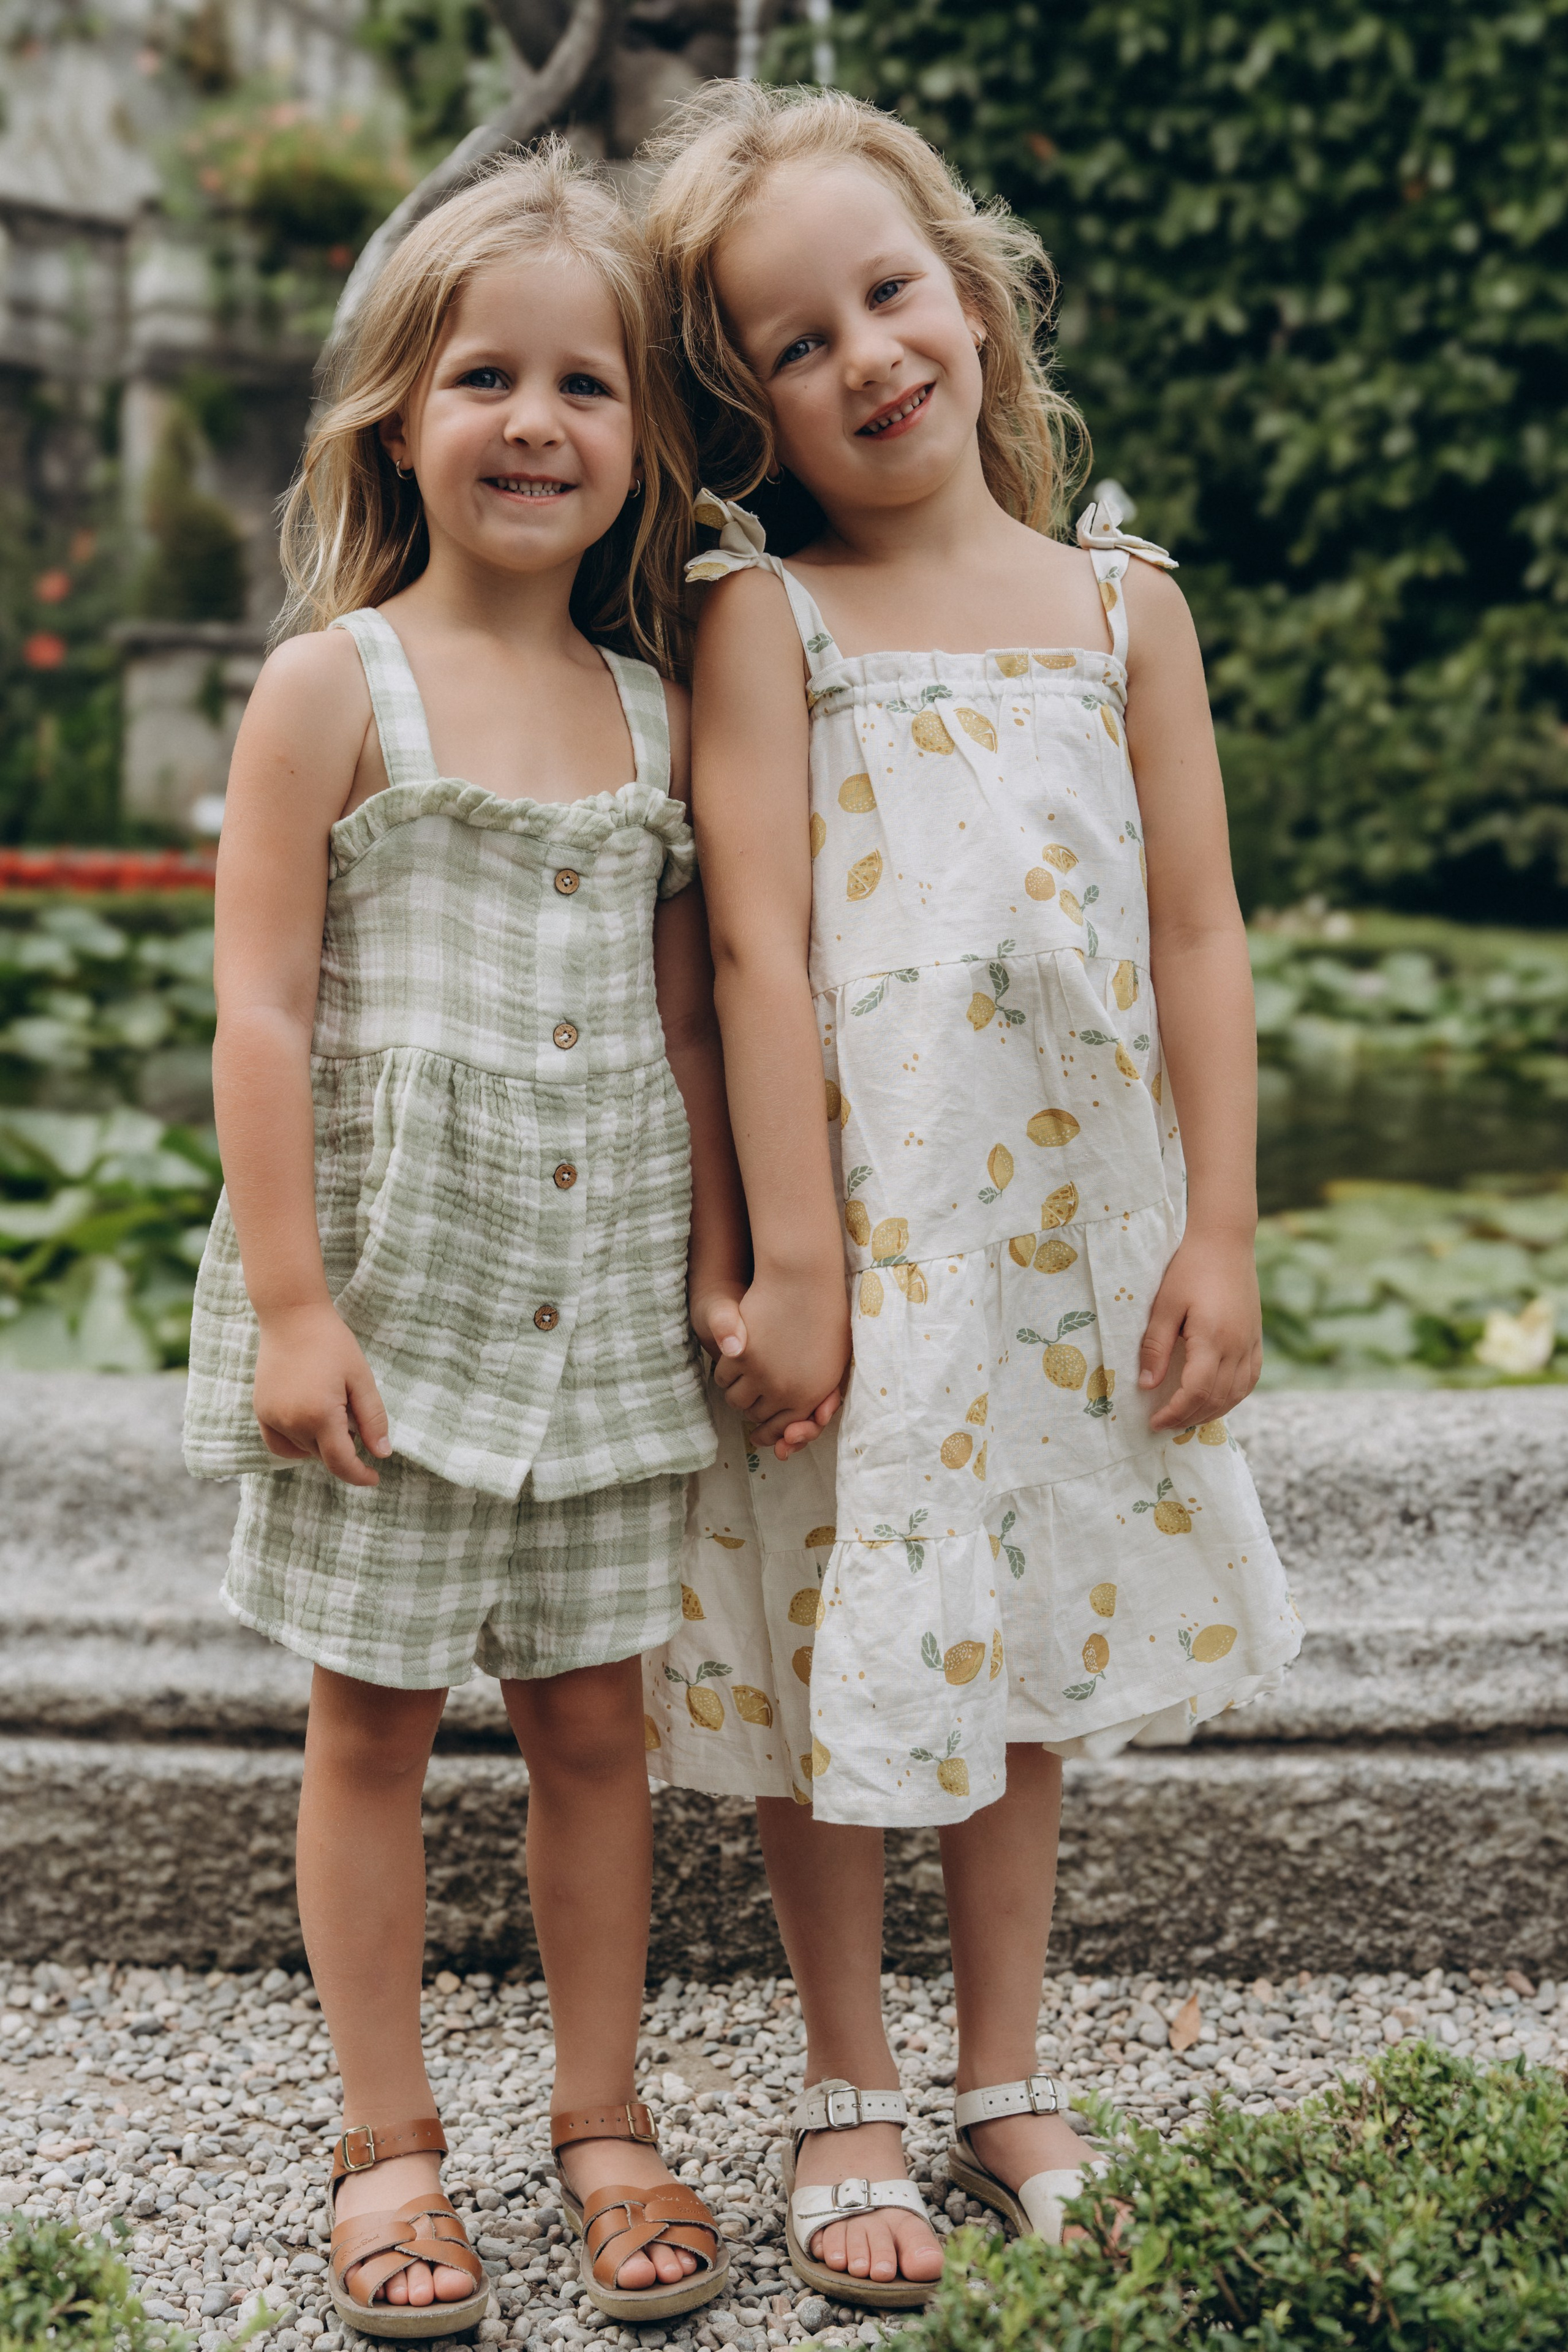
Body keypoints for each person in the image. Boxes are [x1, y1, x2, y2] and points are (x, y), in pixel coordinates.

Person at [639, 84, 1303, 2311]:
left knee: (1010, 1661)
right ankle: (847, 2080)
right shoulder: (770, 624)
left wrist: (1216, 1227)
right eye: (797, 344)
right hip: (865, 1248)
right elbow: (751, 953)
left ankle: (1007, 2070)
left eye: (891, 295)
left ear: (979, 296)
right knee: (833, 1666)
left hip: (1055, 1254)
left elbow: (1199, 934)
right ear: (751, 412)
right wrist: (793, 1262)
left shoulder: (1128, 609)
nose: (869, 358)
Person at [183, 145, 754, 2336]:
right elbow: (264, 1009)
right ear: (397, 417)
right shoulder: (335, 687)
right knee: (375, 1732)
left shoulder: (657, 708)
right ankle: (387, 2140)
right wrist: (299, 1307)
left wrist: (723, 1263)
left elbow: (690, 1021)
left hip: (601, 1304)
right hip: (399, 1305)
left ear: (644, 440)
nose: (538, 421)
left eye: (587, 385)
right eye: (487, 376)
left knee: (598, 1727)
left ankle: (603, 2119)